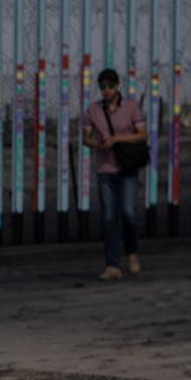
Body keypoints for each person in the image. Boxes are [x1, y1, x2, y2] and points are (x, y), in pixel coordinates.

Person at [80, 67, 149, 281]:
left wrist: (117, 138)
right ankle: (112, 264)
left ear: (118, 85)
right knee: (109, 218)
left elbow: (142, 135)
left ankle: (132, 252)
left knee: (128, 212)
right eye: (103, 87)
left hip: (126, 168)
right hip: (105, 170)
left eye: (110, 86)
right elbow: (86, 138)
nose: (107, 90)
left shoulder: (131, 107)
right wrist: (97, 144)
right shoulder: (93, 110)